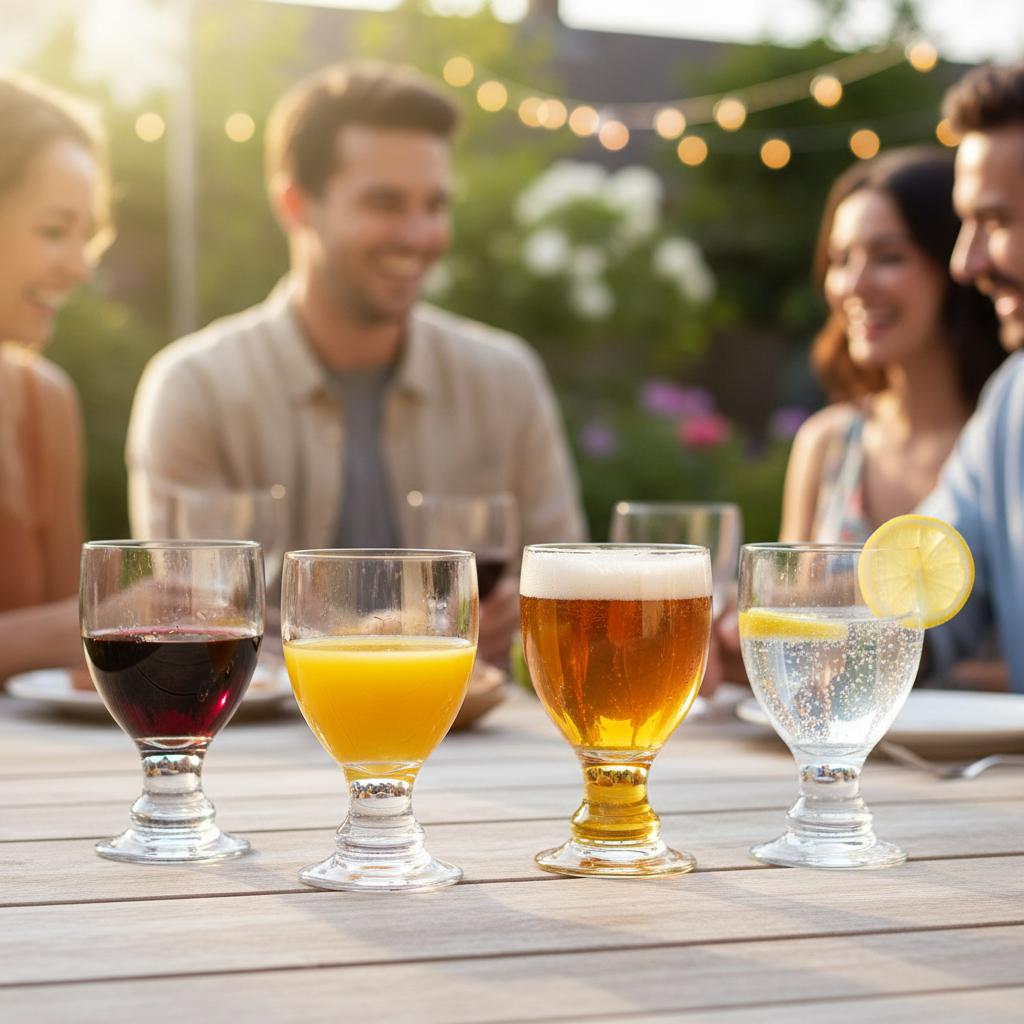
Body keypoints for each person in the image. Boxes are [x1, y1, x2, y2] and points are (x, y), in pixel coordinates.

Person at [126, 63, 586, 664]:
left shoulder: (506, 380)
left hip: (479, 747)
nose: (419, 234)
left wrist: (524, 635)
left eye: (435, 204)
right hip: (262, 754)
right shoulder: (194, 388)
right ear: (296, 204)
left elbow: (571, 610)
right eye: (385, 203)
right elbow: (185, 630)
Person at [779, 147, 1004, 543]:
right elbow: (778, 599)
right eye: (841, 259)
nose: (854, 285)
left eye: (888, 257)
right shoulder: (828, 445)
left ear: (955, 263)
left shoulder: (1005, 439)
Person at [0, 72, 110, 684]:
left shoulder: (46, 400)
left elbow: (68, 668)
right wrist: (99, 619)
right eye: (53, 231)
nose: (79, 267)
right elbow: (71, 628)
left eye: (87, 236)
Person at [919, 60, 1024, 693]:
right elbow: (924, 601)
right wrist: (804, 633)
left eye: (998, 221)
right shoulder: (1012, 400)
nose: (966, 262)